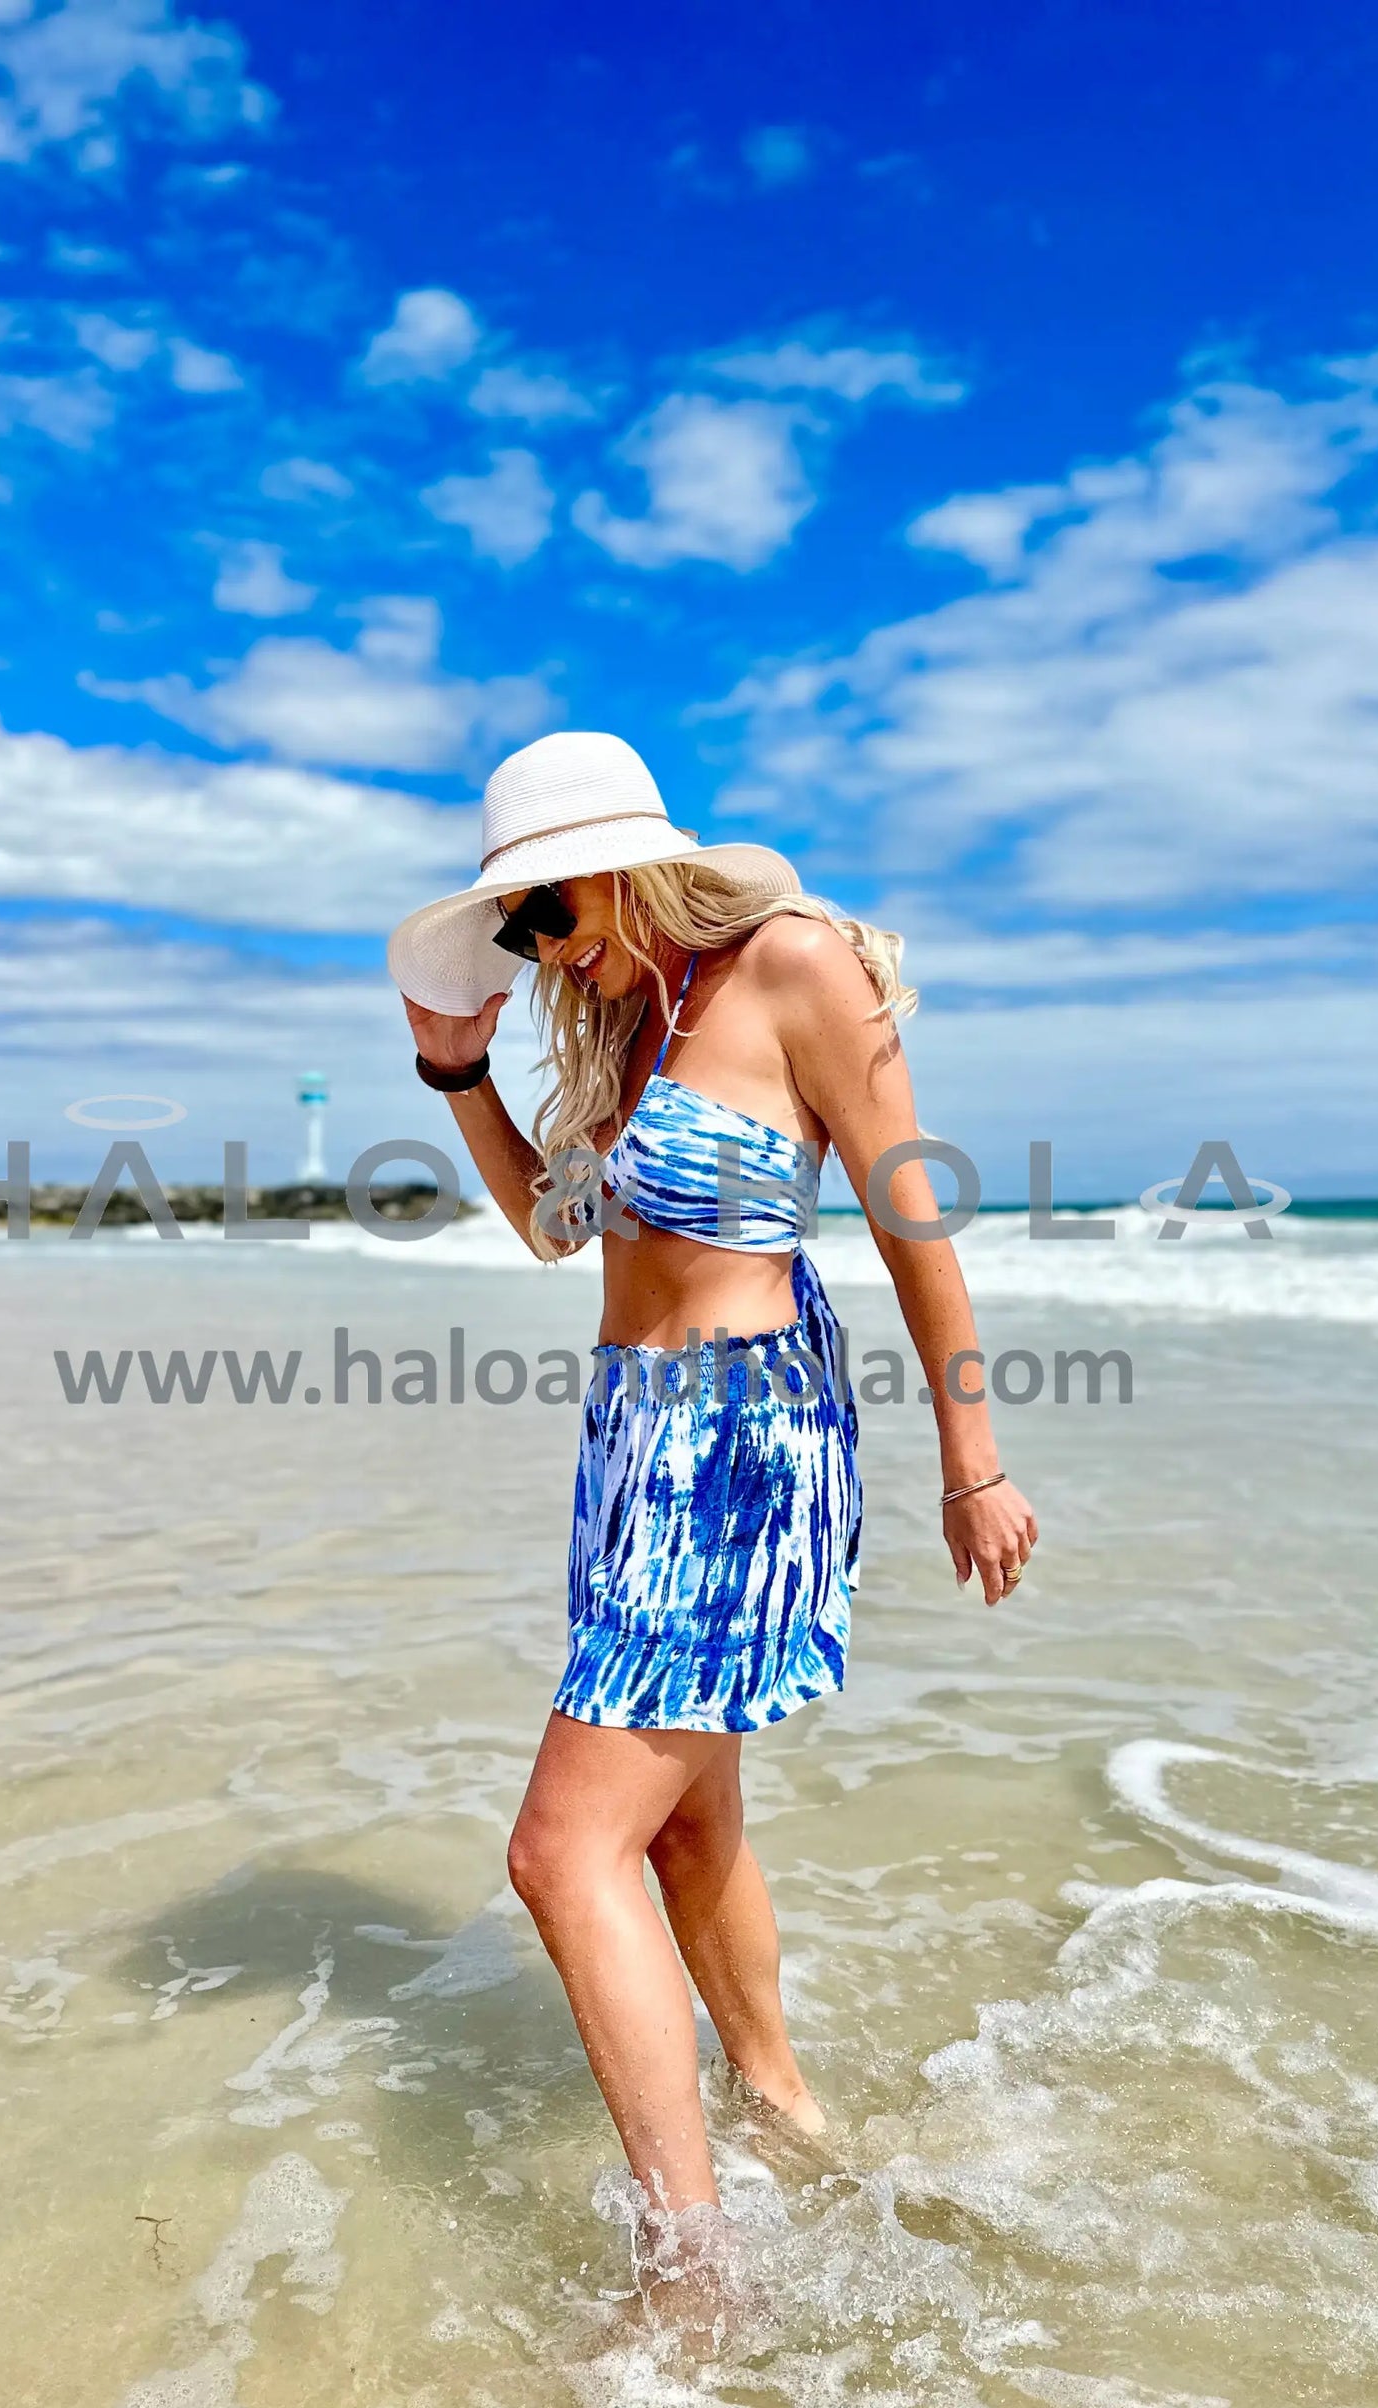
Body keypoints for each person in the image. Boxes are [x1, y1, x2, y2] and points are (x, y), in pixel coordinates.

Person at [388, 731, 1036, 2251]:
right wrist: (454, 1069)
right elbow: (559, 1234)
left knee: (559, 1851)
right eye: (518, 932)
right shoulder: (637, 1024)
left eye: (546, 915)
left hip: (738, 1443)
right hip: (628, 1441)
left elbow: (909, 1223)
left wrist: (973, 1458)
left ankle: (692, 2266)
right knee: (679, 1823)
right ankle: (783, 2110)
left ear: (616, 872)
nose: (538, 948)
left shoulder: (791, 965)